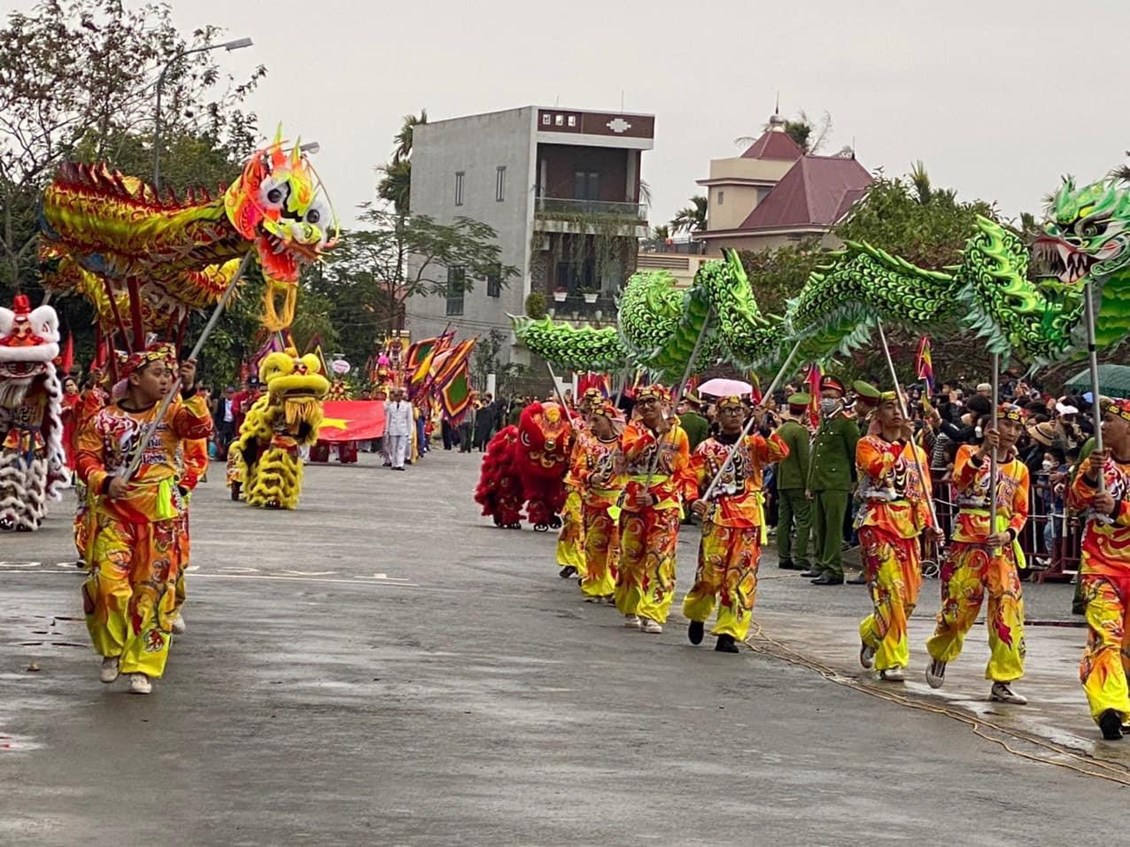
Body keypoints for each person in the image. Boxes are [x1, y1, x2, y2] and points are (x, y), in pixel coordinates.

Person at [76, 344, 212, 695]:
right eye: (158, 374)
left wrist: (190, 389)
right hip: (114, 513)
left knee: (151, 591)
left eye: (169, 374)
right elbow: (85, 457)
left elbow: (200, 427)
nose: (166, 380)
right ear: (135, 379)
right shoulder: (104, 419)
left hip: (159, 516)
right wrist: (104, 481)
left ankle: (142, 666)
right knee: (108, 585)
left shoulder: (173, 413)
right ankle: (112, 649)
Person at [925, 404, 1031, 703]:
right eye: (1005, 425)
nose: (1011, 432)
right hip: (967, 542)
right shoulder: (967, 452)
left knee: (1007, 610)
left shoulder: (1020, 470)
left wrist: (1009, 534)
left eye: (1017, 428)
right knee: (958, 609)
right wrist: (984, 451)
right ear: (989, 427)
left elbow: (1021, 511)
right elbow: (960, 480)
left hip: (1000, 548)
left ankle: (1003, 678)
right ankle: (941, 653)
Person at [683, 397, 788, 652]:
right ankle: (698, 613)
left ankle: (728, 632)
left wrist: (764, 427)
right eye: (727, 411)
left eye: (738, 410)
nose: (733, 415)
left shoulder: (753, 443)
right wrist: (693, 500)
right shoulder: (706, 448)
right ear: (717, 416)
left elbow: (780, 453)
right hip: (717, 516)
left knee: (740, 577)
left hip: (748, 519)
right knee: (709, 575)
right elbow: (690, 477)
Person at [854, 388, 939, 682]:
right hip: (878, 523)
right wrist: (901, 441)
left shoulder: (919, 453)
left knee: (909, 599)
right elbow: (877, 469)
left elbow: (923, 493)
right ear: (879, 413)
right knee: (891, 594)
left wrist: (929, 524)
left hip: (909, 527)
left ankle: (870, 632)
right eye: (890, 406)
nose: (897, 412)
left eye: (902, 406)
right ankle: (891, 660)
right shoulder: (867, 444)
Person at [1068, 397, 1130, 740]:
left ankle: (1124, 703)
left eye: (1109, 420)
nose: (1102, 426)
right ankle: (1109, 708)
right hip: (1099, 566)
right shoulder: (1097, 463)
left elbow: (1118, 509)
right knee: (1106, 636)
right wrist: (1091, 476)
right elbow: (1074, 501)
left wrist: (1118, 507)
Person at [615, 385, 693, 633]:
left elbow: (683, 473)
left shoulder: (679, 435)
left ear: (664, 404)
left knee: (660, 557)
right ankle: (631, 606)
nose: (647, 406)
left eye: (652, 401)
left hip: (664, 503)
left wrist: (657, 496)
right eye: (642, 402)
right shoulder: (631, 430)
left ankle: (653, 612)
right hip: (634, 500)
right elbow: (628, 455)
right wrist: (654, 434)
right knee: (630, 557)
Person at [806, 376, 860, 585]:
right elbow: (817, 457)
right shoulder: (825, 422)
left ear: (840, 399)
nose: (825, 400)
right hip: (821, 482)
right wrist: (811, 483)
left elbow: (855, 455)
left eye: (830, 396)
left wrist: (854, 482)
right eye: (823, 396)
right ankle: (821, 563)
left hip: (837, 483)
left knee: (833, 529)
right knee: (820, 528)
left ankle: (834, 569)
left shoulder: (846, 424)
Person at [572, 400, 624, 601]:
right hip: (594, 501)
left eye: (597, 421)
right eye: (591, 420)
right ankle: (595, 585)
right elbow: (578, 467)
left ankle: (614, 586)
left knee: (617, 546)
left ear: (610, 422)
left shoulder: (624, 445)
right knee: (594, 544)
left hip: (617, 502)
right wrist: (589, 476)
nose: (592, 425)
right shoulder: (590, 445)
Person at [775, 393, 812, 572]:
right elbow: (805, 460)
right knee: (803, 520)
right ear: (805, 411)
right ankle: (800, 557)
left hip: (783, 481)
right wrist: (809, 484)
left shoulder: (780, 430)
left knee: (784, 520)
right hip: (798, 482)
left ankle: (783, 556)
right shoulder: (800, 431)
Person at [384, 387, 413, 470]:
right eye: (396, 395)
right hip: (393, 429)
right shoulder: (390, 406)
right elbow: (388, 419)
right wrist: (387, 430)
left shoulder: (407, 405)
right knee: (393, 447)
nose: (398, 397)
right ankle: (394, 463)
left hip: (403, 429)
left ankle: (400, 464)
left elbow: (409, 419)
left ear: (402, 396)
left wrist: (410, 432)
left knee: (401, 447)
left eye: (399, 395)